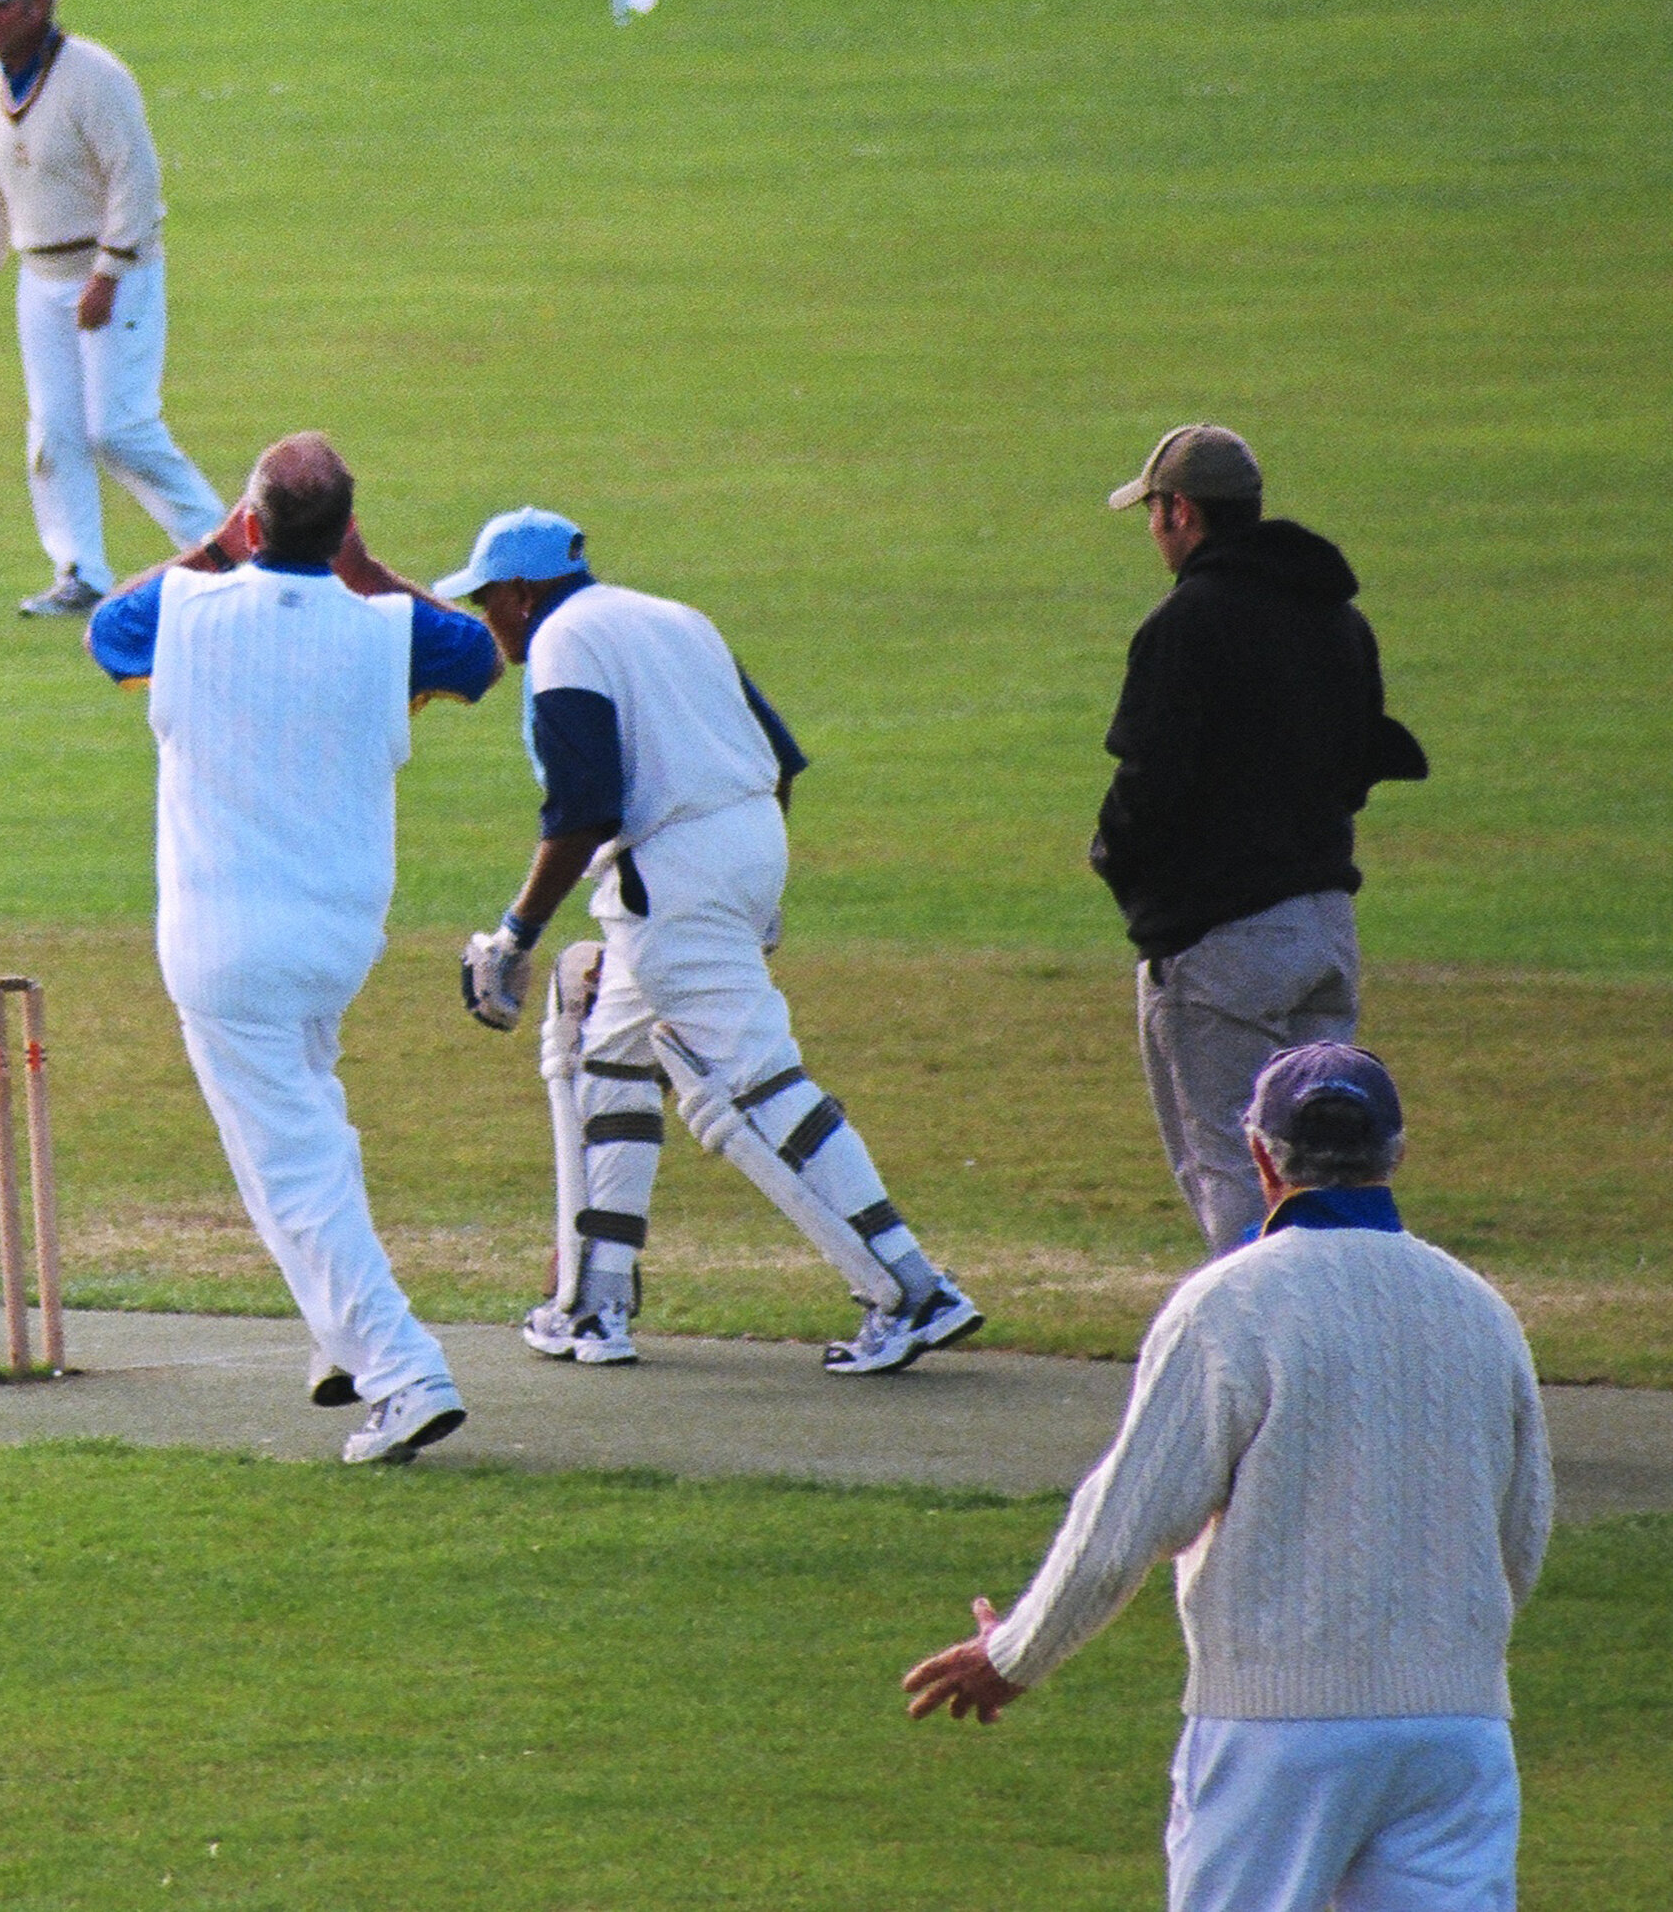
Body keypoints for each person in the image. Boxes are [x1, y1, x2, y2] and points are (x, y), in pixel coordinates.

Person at [904, 1044, 1547, 1912]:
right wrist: (1440, 1656)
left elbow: (1122, 1524)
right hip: (1456, 1730)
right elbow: (1520, 1534)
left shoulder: (1230, 1303)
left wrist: (1015, 1653)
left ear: (1259, 1156)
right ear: (1395, 1152)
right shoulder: (1480, 1308)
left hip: (1274, 1724)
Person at [440, 506, 979, 1375]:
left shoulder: (562, 640)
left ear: (523, 591)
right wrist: (756, 891)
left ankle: (911, 1288)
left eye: (486, 598)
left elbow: (583, 810)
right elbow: (779, 758)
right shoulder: (674, 617)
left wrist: (515, 933)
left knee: (758, 1080)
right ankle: (594, 1305)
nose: (484, 616)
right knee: (610, 1059)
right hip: (740, 844)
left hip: (669, 875)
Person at [85, 433, 502, 1463]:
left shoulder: (185, 607)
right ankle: (339, 1340)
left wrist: (210, 549)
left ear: (248, 522)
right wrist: (372, 571)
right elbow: (481, 654)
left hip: (225, 945)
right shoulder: (388, 626)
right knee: (314, 1131)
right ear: (345, 530)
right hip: (337, 938)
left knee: (292, 1171)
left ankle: (403, 1372)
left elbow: (105, 629)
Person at [1096, 423, 1427, 1258]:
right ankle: (1348, 1322)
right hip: (1325, 929)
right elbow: (1362, 759)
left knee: (1235, 1175)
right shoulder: (1337, 617)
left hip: (1222, 946)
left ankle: (1260, 1335)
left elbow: (1148, 780)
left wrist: (1117, 864)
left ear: (1180, 511)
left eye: (1152, 511)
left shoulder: (1185, 621)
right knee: (1333, 1169)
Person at [0, 0, 227, 619]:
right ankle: (79, 571)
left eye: (0, 6)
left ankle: (224, 548)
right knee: (55, 432)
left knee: (119, 430)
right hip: (39, 277)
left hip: (114, 273)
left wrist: (108, 271)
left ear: (41, 6)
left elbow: (136, 179)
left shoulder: (95, 77)